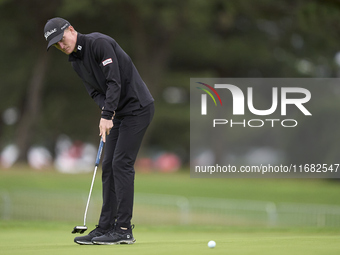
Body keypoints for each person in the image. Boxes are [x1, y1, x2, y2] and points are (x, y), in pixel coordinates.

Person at [44, 17, 154, 245]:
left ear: (71, 30)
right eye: (56, 45)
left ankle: (123, 229)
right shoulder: (75, 62)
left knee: (121, 164)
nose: (61, 46)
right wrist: (108, 112)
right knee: (109, 166)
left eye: (61, 39)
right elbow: (95, 93)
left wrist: (106, 115)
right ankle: (105, 227)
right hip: (119, 113)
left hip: (138, 108)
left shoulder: (99, 44)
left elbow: (115, 82)